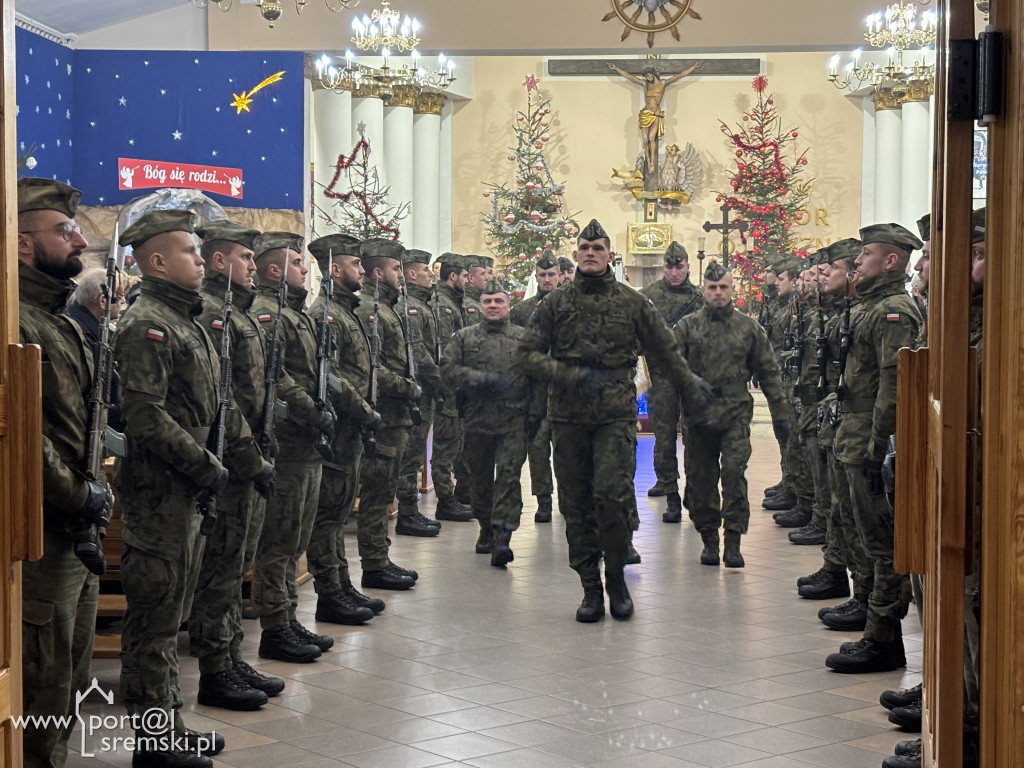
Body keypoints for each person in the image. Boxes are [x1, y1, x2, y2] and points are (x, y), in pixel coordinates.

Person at [113, 209, 268, 766]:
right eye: (190, 253)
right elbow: (145, 417)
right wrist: (207, 466)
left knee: (173, 608)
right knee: (154, 619)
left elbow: (219, 402)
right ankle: (153, 741)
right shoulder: (146, 323)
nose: (203, 262)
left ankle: (170, 721)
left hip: (189, 490)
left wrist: (235, 457)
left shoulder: (188, 320)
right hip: (162, 492)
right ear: (157, 261)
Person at [518, 219, 713, 622]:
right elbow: (527, 354)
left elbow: (665, 350)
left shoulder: (632, 302)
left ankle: (617, 579)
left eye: (598, 247)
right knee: (575, 502)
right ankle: (590, 587)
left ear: (610, 255)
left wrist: (691, 385)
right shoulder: (554, 304)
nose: (590, 253)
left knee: (613, 496)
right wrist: (566, 373)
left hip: (614, 416)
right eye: (584, 247)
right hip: (568, 417)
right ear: (575, 255)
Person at [17, 178, 106, 768]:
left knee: (71, 670)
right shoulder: (16, 321)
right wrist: (79, 494)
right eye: (64, 230)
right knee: (40, 674)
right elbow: (27, 435)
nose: (78, 240)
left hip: (78, 527)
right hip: (42, 528)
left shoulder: (62, 320)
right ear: (24, 245)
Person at [188, 221, 281, 711]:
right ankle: (215, 668)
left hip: (249, 458)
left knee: (234, 567)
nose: (254, 267)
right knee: (219, 572)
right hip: (228, 461)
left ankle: (230, 654)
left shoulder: (236, 313)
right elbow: (225, 401)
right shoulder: (210, 313)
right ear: (221, 261)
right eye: (246, 258)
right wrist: (251, 459)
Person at [825, 223, 922, 674]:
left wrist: (876, 448)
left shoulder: (894, 311)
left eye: (866, 255)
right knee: (864, 535)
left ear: (891, 261)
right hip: (855, 434)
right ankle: (871, 619)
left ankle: (884, 640)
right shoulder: (869, 306)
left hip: (869, 439)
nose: (857, 262)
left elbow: (894, 385)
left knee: (884, 544)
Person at [250, 232, 337, 662]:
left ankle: (287, 618)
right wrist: (313, 410)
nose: (306, 270)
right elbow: (278, 377)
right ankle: (275, 627)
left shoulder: (295, 312)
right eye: (298, 263)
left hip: (306, 443)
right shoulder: (269, 313)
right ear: (274, 270)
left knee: (295, 539)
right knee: (279, 541)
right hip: (287, 442)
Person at [674, 262, 790, 567]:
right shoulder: (687, 327)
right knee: (701, 480)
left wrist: (780, 414)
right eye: (712, 288)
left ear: (732, 290)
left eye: (723, 287)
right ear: (703, 290)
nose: (718, 293)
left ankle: (734, 540)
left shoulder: (748, 328)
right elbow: (672, 370)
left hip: (735, 414)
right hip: (698, 418)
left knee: (735, 474)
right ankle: (709, 538)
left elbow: (768, 372)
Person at [306, 233, 387, 621]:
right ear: (335, 269)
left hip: (352, 430)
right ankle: (329, 593)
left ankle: (342, 584)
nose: (362, 270)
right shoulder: (327, 314)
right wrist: (365, 412)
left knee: (337, 515)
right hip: (340, 429)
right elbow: (333, 379)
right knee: (328, 517)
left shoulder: (347, 310)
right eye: (356, 264)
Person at [443, 280, 545, 564]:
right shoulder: (463, 338)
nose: (493, 306)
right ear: (480, 306)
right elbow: (448, 372)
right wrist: (479, 380)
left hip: (515, 422)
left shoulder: (525, 339)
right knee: (480, 481)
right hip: (477, 421)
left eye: (498, 301)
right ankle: (486, 529)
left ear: (508, 306)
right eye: (487, 301)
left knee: (509, 480)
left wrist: (536, 417)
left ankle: (503, 537)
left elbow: (539, 380)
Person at [797, 239, 872, 605]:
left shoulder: (881, 311)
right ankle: (835, 568)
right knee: (840, 506)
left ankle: (867, 601)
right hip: (835, 416)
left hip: (859, 426)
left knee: (857, 517)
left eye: (828, 271)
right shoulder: (839, 310)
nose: (819, 277)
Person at [354, 238, 423, 590]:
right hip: (381, 415)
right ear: (379, 272)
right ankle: (374, 563)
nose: (402, 275)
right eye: (397, 269)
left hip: (394, 416)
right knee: (376, 493)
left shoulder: (387, 308)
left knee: (384, 494)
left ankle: (379, 557)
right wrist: (409, 388)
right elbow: (372, 369)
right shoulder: (370, 311)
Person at [638, 241, 704, 521]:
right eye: (669, 267)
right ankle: (668, 485)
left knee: (693, 433)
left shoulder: (700, 297)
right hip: (661, 373)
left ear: (687, 266)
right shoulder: (648, 296)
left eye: (679, 267)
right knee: (663, 434)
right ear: (662, 268)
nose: (674, 272)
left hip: (690, 374)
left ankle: (693, 486)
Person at [395, 248, 445, 536]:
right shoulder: (410, 306)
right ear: (412, 273)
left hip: (426, 390)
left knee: (415, 454)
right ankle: (407, 513)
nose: (430, 275)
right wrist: (441, 380)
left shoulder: (422, 303)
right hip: (417, 389)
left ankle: (411, 511)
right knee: (411, 454)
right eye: (426, 270)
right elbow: (419, 352)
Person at [509, 251, 561, 522]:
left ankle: (569, 496)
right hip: (535, 392)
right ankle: (543, 500)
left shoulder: (570, 305)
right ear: (536, 277)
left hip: (565, 391)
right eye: (542, 275)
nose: (547, 279)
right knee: (538, 447)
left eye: (551, 274)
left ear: (560, 275)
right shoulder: (522, 311)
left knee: (566, 449)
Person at [430, 253, 475, 521]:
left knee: (455, 442)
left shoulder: (453, 301)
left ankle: (453, 495)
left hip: (457, 384)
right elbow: (447, 347)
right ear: (453, 276)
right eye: (465, 275)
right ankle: (445, 499)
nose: (468, 281)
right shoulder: (442, 304)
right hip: (447, 383)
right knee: (446, 445)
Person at [606, 61, 702, 176]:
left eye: (649, 75)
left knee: (652, 138)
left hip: (655, 114)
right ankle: (648, 160)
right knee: (645, 140)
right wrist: (616, 68)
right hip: (645, 114)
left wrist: (693, 67)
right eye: (646, 76)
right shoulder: (645, 84)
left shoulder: (663, 83)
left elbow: (680, 75)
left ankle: (652, 163)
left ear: (654, 74)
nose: (648, 77)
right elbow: (629, 76)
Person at [68, 266, 124, 344]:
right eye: (119, 296)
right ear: (103, 301)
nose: (123, 301)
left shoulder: (72, 317)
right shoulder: (85, 337)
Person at [462, 254, 487, 326]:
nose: (486, 278)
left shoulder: (476, 299)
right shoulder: (468, 304)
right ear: (471, 278)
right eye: (482, 274)